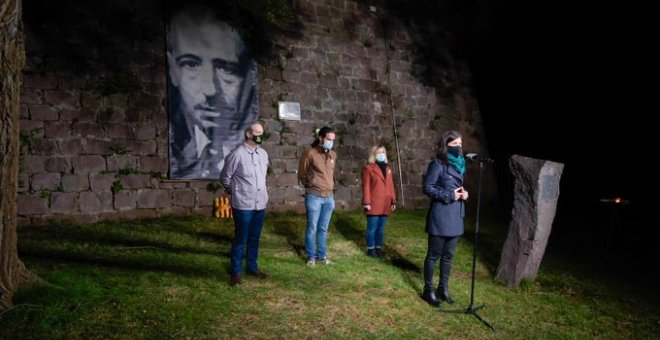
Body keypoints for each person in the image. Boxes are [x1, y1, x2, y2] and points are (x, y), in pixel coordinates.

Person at [167, 5, 258, 179]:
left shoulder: (256, 155)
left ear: (249, 76)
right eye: (191, 64)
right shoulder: (178, 153)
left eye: (226, 69)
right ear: (173, 70)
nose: (210, 89)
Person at [421, 130, 469, 307]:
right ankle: (428, 290)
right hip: (441, 215)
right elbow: (428, 188)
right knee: (434, 255)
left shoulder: (460, 165)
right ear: (446, 146)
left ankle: (443, 289)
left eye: (460, 144)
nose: (459, 148)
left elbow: (456, 186)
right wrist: (450, 195)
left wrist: (463, 194)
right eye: (455, 145)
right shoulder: (438, 164)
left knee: (448, 256)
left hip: (456, 215)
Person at [220, 122, 269, 286]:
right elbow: (225, 177)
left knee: (255, 238)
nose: (260, 135)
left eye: (262, 132)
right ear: (248, 134)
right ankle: (236, 272)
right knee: (241, 238)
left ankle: (252, 268)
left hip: (260, 204)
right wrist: (233, 191)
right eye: (257, 132)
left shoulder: (263, 154)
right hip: (243, 204)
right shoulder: (237, 154)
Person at [298, 127, 337, 267]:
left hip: (329, 198)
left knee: (323, 229)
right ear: (321, 138)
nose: (330, 142)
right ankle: (311, 257)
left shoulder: (333, 155)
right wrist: (311, 185)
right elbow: (301, 174)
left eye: (332, 140)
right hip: (314, 197)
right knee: (312, 228)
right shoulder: (310, 153)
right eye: (328, 139)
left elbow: (330, 175)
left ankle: (322, 256)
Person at [361, 145, 397, 258]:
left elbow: (391, 186)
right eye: (379, 153)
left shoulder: (388, 169)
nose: (381, 154)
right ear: (374, 154)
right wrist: (367, 202)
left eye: (383, 152)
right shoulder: (368, 168)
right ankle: (371, 249)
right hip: (374, 203)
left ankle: (378, 248)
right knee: (372, 228)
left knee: (380, 229)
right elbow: (366, 186)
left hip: (385, 203)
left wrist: (393, 201)